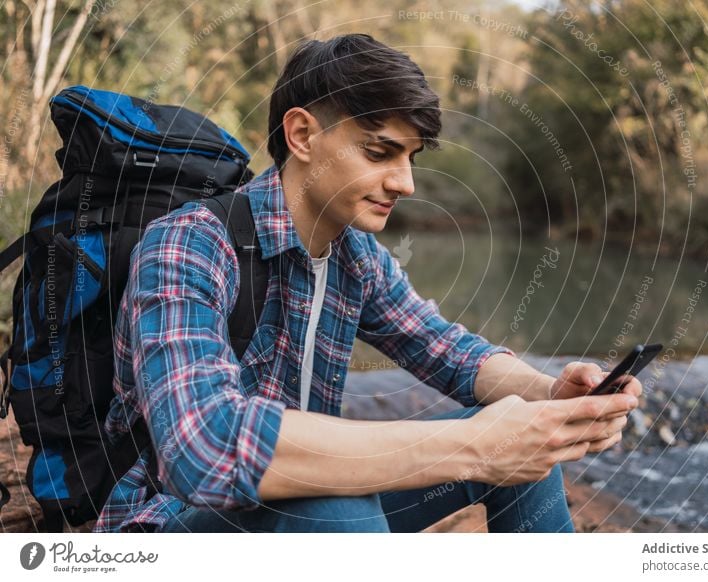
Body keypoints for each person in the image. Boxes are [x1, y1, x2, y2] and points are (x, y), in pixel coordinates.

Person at [74, 33, 639, 533]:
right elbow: (205, 448)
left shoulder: (356, 257)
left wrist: (548, 395)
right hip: (168, 523)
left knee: (522, 447)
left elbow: (450, 353)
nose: (407, 182)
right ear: (301, 135)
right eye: (379, 152)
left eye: (412, 157)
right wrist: (473, 447)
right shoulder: (188, 245)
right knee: (335, 507)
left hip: (297, 518)